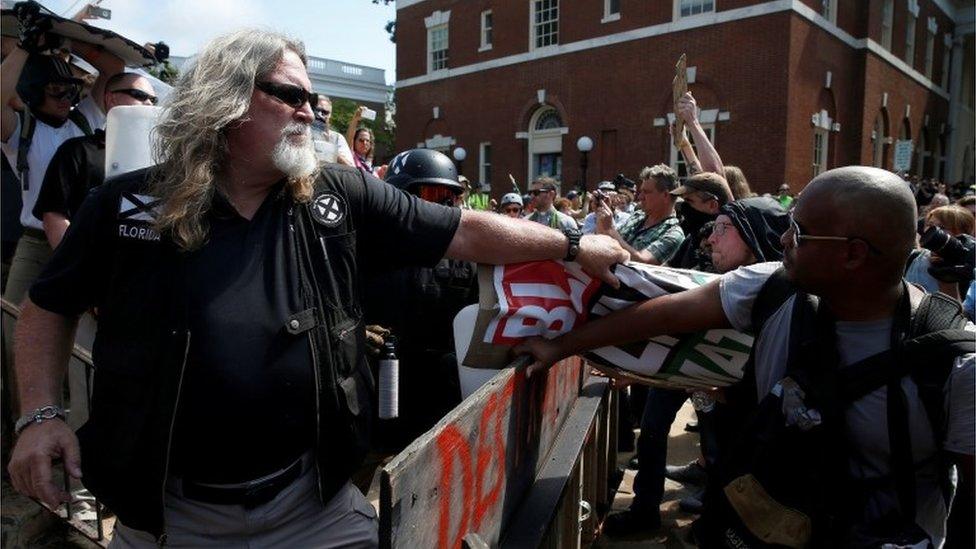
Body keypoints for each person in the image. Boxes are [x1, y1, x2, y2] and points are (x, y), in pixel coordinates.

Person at [7, 29, 628, 547]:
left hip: (313, 508)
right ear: (227, 100)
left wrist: (574, 246)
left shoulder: (337, 194)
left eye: (313, 97)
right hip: (169, 521)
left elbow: (465, 231)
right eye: (290, 95)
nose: (310, 111)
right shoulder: (128, 205)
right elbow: (47, 305)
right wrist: (38, 415)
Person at [518, 166, 975, 547]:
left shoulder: (956, 360)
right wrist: (560, 347)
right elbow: (663, 315)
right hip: (760, 528)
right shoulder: (771, 286)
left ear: (854, 254)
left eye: (800, 232)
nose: (783, 242)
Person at [606, 196, 788, 535]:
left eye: (722, 229)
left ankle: (716, 519)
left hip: (730, 396)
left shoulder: (778, 297)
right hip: (690, 370)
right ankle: (646, 508)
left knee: (724, 449)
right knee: (653, 431)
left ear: (754, 235)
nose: (710, 239)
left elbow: (665, 316)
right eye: (712, 229)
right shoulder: (714, 270)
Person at [364, 148, 477, 449]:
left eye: (448, 199)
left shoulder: (468, 260)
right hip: (377, 392)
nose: (438, 208)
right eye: (427, 195)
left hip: (440, 398)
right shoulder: (362, 250)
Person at [33, 72, 157, 249]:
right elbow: (54, 215)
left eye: (154, 100)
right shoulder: (77, 151)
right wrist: (75, 268)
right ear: (111, 99)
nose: (149, 104)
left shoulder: (156, 160)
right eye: (139, 95)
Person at [599, 165, 685, 265]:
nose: (640, 197)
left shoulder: (673, 233)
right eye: (641, 191)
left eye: (646, 192)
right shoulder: (637, 216)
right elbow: (607, 243)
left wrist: (610, 230)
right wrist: (600, 212)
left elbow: (644, 261)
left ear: (665, 195)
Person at [905, 205, 976, 297]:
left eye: (942, 227)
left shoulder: (967, 270)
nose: (933, 231)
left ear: (961, 234)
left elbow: (962, 310)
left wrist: (948, 281)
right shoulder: (913, 258)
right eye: (930, 225)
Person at [668, 172, 733, 269]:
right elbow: (669, 268)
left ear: (712, 205)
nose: (683, 206)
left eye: (689, 201)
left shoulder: (725, 243)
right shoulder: (693, 237)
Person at [310, 94, 353, 166]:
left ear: (330, 116)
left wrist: (330, 148)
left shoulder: (337, 138)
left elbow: (350, 167)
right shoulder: (300, 133)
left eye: (325, 112)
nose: (320, 115)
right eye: (316, 110)